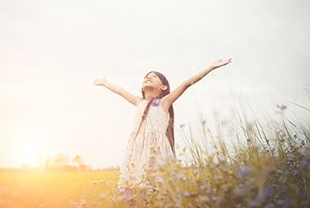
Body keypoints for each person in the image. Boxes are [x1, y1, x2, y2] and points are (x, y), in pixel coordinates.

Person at [93, 58, 232, 192]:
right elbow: (120, 90)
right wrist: (105, 83)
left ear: (163, 87)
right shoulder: (138, 102)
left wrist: (210, 68)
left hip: (156, 150)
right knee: (131, 187)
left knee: (154, 188)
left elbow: (187, 83)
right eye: (146, 77)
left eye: (153, 77)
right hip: (137, 148)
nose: (148, 77)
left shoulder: (164, 103)